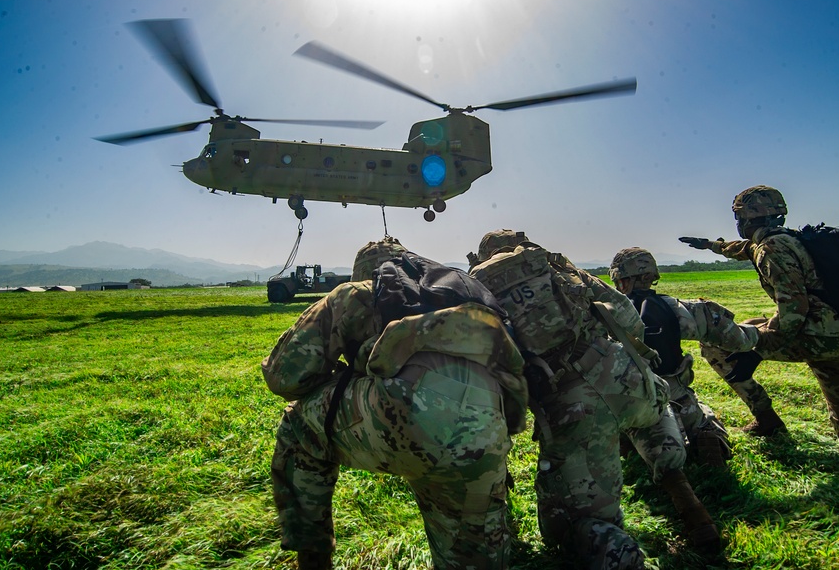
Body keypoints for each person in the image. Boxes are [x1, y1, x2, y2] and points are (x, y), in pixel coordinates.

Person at [263, 236, 529, 570]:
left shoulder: (356, 291)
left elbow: (284, 377)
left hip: (408, 417)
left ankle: (312, 558)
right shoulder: (455, 290)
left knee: (298, 425)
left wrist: (344, 377)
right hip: (486, 427)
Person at [469, 230, 718, 568]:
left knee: (566, 522)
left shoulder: (477, 289)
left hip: (573, 410)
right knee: (651, 415)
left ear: (483, 256)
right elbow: (627, 315)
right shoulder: (554, 264)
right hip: (626, 376)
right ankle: (688, 500)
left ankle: (623, 557)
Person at [681, 185, 839, 452]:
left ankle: (767, 420)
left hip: (817, 337)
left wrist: (757, 350)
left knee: (716, 341)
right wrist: (712, 246)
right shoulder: (790, 238)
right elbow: (745, 249)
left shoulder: (772, 249)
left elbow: (793, 314)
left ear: (745, 218)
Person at [609, 247, 756, 466]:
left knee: (620, 425)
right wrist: (756, 330)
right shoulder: (680, 308)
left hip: (632, 401)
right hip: (676, 392)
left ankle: (632, 444)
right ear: (652, 276)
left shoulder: (603, 316)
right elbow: (740, 341)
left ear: (620, 280)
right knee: (703, 417)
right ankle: (705, 434)